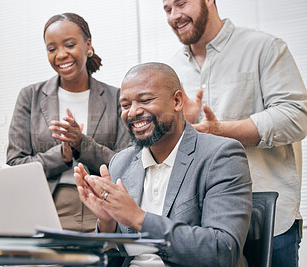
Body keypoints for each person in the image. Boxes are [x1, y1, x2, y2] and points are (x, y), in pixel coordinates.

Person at [163, 0, 307, 265]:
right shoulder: (170, 71)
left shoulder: (263, 48)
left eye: (181, 3)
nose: (175, 15)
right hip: (203, 229)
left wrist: (222, 131)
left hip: (267, 223)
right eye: (167, 9)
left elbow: (296, 116)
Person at [75, 62, 252, 266]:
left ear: (177, 101)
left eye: (145, 100)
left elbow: (222, 251)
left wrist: (138, 217)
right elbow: (114, 257)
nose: (132, 112)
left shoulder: (221, 155)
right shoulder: (120, 163)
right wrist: (107, 222)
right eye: (125, 105)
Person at [7, 13, 130, 232]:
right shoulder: (30, 97)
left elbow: (128, 164)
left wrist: (83, 144)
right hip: (47, 209)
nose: (61, 55)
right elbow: (15, 165)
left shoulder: (117, 98)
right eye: (51, 49)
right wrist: (61, 156)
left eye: (70, 45)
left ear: (88, 45)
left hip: (104, 210)